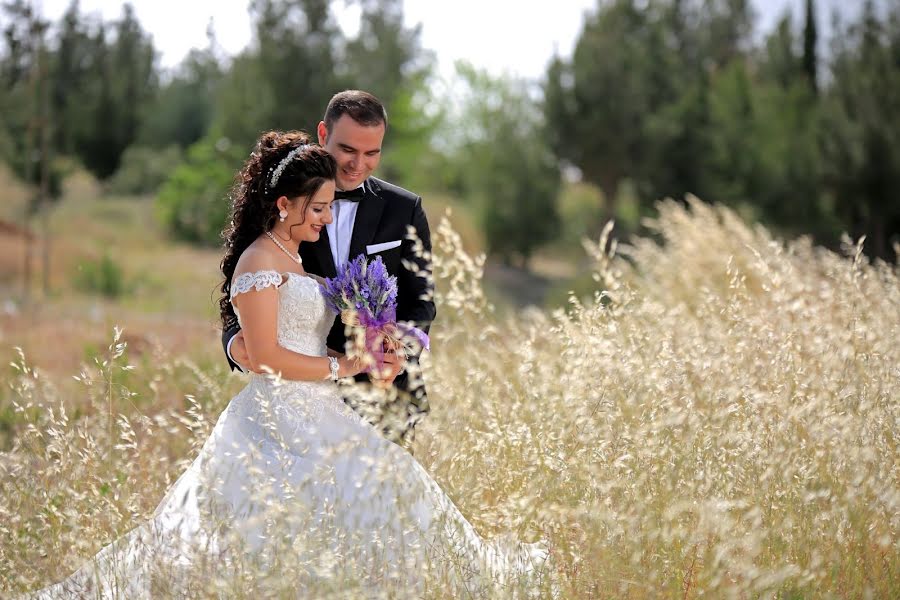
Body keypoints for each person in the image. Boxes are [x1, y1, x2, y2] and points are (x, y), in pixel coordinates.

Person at [30, 131, 550, 598]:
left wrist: (375, 356)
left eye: (329, 208)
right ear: (285, 205)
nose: (326, 218)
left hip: (322, 408)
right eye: (318, 208)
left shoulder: (297, 257)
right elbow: (268, 360)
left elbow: (309, 340)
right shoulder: (258, 263)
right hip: (275, 418)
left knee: (381, 492)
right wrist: (346, 367)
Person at [224, 90, 435, 443]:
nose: (358, 164)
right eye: (348, 150)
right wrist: (234, 343)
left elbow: (422, 302)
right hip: (296, 396)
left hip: (384, 399)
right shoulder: (285, 212)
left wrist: (391, 349)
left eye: (372, 153)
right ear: (323, 135)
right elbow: (244, 287)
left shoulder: (405, 209)